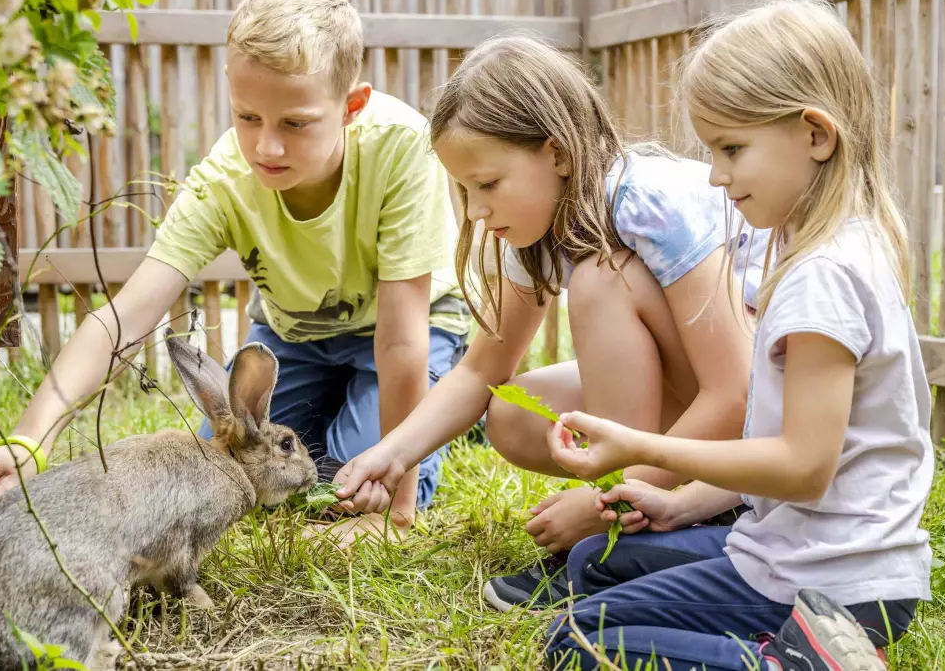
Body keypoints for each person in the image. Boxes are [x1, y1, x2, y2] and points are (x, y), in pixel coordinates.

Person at [0, 0, 471, 541]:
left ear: (351, 106)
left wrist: (391, 506)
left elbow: (399, 340)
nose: (267, 146)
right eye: (248, 118)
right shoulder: (225, 178)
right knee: (229, 464)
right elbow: (127, 315)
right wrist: (31, 438)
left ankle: (455, 405)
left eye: (295, 123)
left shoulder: (401, 148)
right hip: (295, 336)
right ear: (230, 89)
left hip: (402, 331)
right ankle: (344, 404)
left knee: (346, 480)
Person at [541, 0, 933, 671]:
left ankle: (797, 662)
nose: (717, 176)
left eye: (731, 148)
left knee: (574, 641)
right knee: (593, 565)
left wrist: (639, 444)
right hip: (800, 551)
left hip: (829, 582)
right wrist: (678, 504)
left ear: (815, 134)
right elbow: (790, 458)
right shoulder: (830, 243)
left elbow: (802, 466)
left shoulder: (824, 275)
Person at [328, 33, 769, 610]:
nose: (478, 212)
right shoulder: (535, 229)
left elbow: (735, 390)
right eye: (465, 191)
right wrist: (393, 453)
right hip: (709, 409)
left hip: (763, 420)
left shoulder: (645, 203)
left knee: (600, 280)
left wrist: (603, 503)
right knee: (510, 411)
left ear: (556, 154)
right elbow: (477, 372)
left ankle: (624, 523)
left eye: (488, 185)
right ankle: (662, 508)